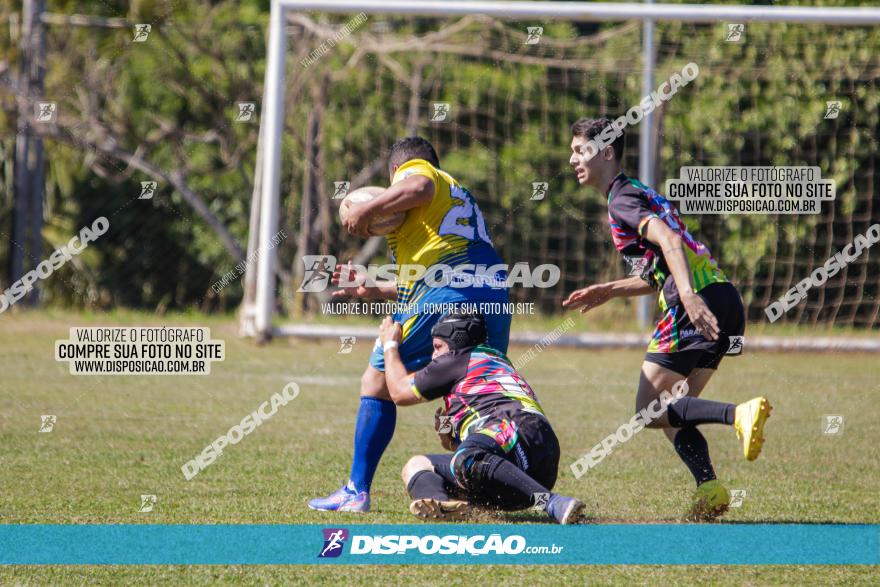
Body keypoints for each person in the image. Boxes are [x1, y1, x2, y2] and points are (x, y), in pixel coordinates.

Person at [563, 117, 772, 521]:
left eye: (579, 150)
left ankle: (738, 414)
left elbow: (671, 241)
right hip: (725, 298)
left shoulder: (621, 199)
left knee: (649, 411)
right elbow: (657, 270)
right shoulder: (639, 192)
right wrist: (609, 289)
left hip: (694, 302)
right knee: (676, 409)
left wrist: (689, 297)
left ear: (606, 152)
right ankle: (709, 488)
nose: (572, 159)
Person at [309, 137, 511, 512]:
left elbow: (417, 185)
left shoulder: (418, 172)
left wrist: (367, 210)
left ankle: (356, 490)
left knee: (376, 382)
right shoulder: (453, 199)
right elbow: (422, 276)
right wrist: (374, 288)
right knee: (482, 396)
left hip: (447, 291)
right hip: (493, 295)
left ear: (394, 173)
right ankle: (490, 487)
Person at [377, 311, 585, 524]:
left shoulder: (459, 358)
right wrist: (450, 436)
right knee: (417, 465)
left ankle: (551, 503)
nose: (433, 356)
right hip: (536, 464)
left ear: (456, 341)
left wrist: (390, 345)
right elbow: (479, 449)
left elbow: (399, 392)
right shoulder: (495, 361)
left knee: (466, 457)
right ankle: (443, 506)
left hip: (512, 427)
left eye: (437, 347)